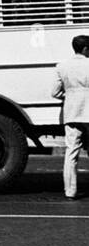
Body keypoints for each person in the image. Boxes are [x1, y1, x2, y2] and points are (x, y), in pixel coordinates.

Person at [52, 34, 89, 201]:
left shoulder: (62, 66)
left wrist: (69, 96)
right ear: (86, 49)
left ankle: (70, 191)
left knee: (71, 153)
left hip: (72, 113)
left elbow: (54, 92)